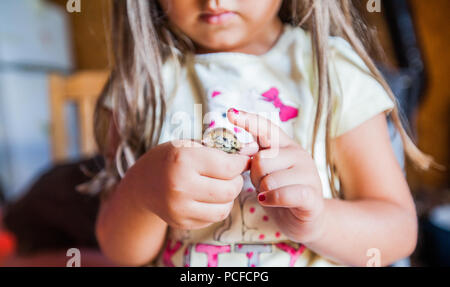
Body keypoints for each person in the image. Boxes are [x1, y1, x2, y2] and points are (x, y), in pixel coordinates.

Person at [89, 0, 435, 267]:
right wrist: (141, 193)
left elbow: (398, 230)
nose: (214, 0)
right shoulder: (137, 86)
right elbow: (121, 251)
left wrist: (317, 222)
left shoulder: (333, 70)